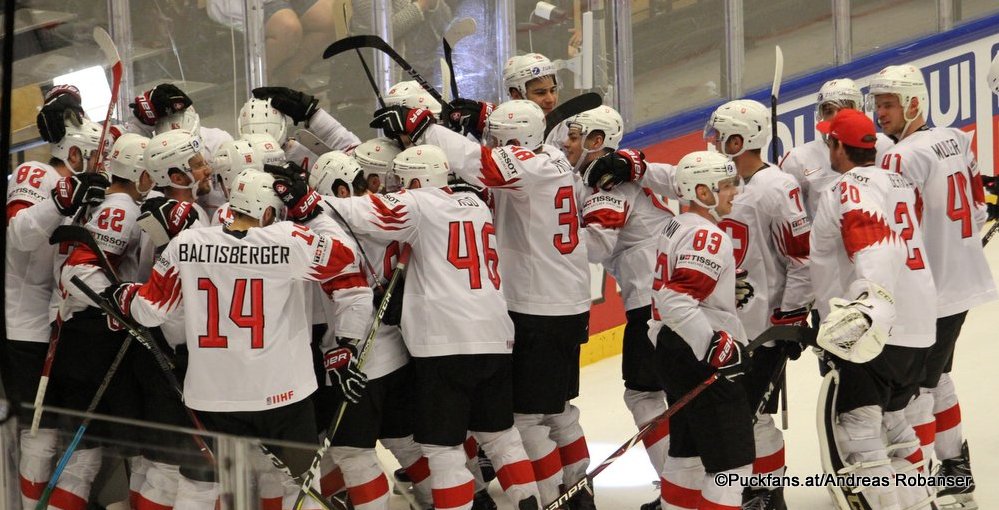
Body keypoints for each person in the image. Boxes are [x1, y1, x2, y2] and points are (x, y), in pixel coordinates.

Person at [102, 168, 372, 509]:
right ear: (269, 211)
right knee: (300, 487)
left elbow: (148, 311)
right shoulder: (289, 240)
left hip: (214, 397)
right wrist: (309, 207)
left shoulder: (187, 244)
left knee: (199, 487)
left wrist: (122, 296)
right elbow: (346, 259)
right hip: (283, 395)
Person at [379, 100, 593, 509]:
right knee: (557, 411)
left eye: (498, 138)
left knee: (527, 420)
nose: (491, 143)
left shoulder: (531, 167)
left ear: (517, 142)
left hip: (539, 308)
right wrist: (477, 116)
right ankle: (578, 494)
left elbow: (484, 164)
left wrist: (426, 129)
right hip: (559, 303)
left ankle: (556, 500)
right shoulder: (551, 158)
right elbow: (488, 159)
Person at [314, 144, 542, 510]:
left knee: (443, 450)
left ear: (418, 181)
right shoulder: (475, 204)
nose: (395, 189)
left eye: (401, 182)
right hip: (496, 335)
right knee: (503, 438)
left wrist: (299, 202)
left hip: (445, 345)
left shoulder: (418, 206)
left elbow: (353, 208)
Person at [868, 64, 996, 508]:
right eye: (878, 104)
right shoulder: (956, 138)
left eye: (889, 104)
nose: (880, 113)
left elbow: (900, 232)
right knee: (937, 377)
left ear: (914, 104)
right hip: (963, 282)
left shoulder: (898, 157)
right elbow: (979, 207)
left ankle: (918, 487)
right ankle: (956, 473)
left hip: (929, 294)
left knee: (917, 392)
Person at [810, 108, 936, 510]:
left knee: (860, 433)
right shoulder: (900, 182)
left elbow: (876, 241)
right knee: (896, 425)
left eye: (829, 139)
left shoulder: (849, 186)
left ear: (837, 147)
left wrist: (870, 303)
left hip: (874, 330)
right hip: (918, 325)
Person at [702, 99, 813, 508]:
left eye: (720, 135)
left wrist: (792, 315)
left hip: (764, 329)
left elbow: (802, 257)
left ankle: (767, 493)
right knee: (734, 415)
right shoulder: (725, 184)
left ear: (740, 139)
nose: (713, 142)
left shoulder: (777, 187)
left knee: (752, 416)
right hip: (728, 326)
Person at [563, 106, 674, 510]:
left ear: (596, 141)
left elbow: (595, 246)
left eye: (576, 136)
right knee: (676, 394)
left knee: (644, 396)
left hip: (654, 303)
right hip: (674, 294)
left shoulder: (609, 186)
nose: (567, 142)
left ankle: (678, 492)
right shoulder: (605, 178)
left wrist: (541, 234)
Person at [6, 95, 106, 509]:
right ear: (74, 150)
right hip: (23, 326)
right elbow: (21, 234)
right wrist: (63, 199)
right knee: (40, 433)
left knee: (79, 436)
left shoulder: (83, 185)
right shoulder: (35, 172)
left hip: (58, 324)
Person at [648, 150, 751, 510]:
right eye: (725, 186)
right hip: (698, 354)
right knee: (731, 469)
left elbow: (680, 292)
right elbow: (675, 297)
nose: (734, 191)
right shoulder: (708, 236)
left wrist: (724, 289)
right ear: (703, 193)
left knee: (687, 454)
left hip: (671, 348)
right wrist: (711, 345)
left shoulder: (676, 225)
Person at [780, 78, 894, 218]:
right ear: (820, 115)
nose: (835, 118)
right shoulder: (798, 159)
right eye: (828, 111)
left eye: (843, 109)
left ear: (859, 109)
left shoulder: (885, 145)